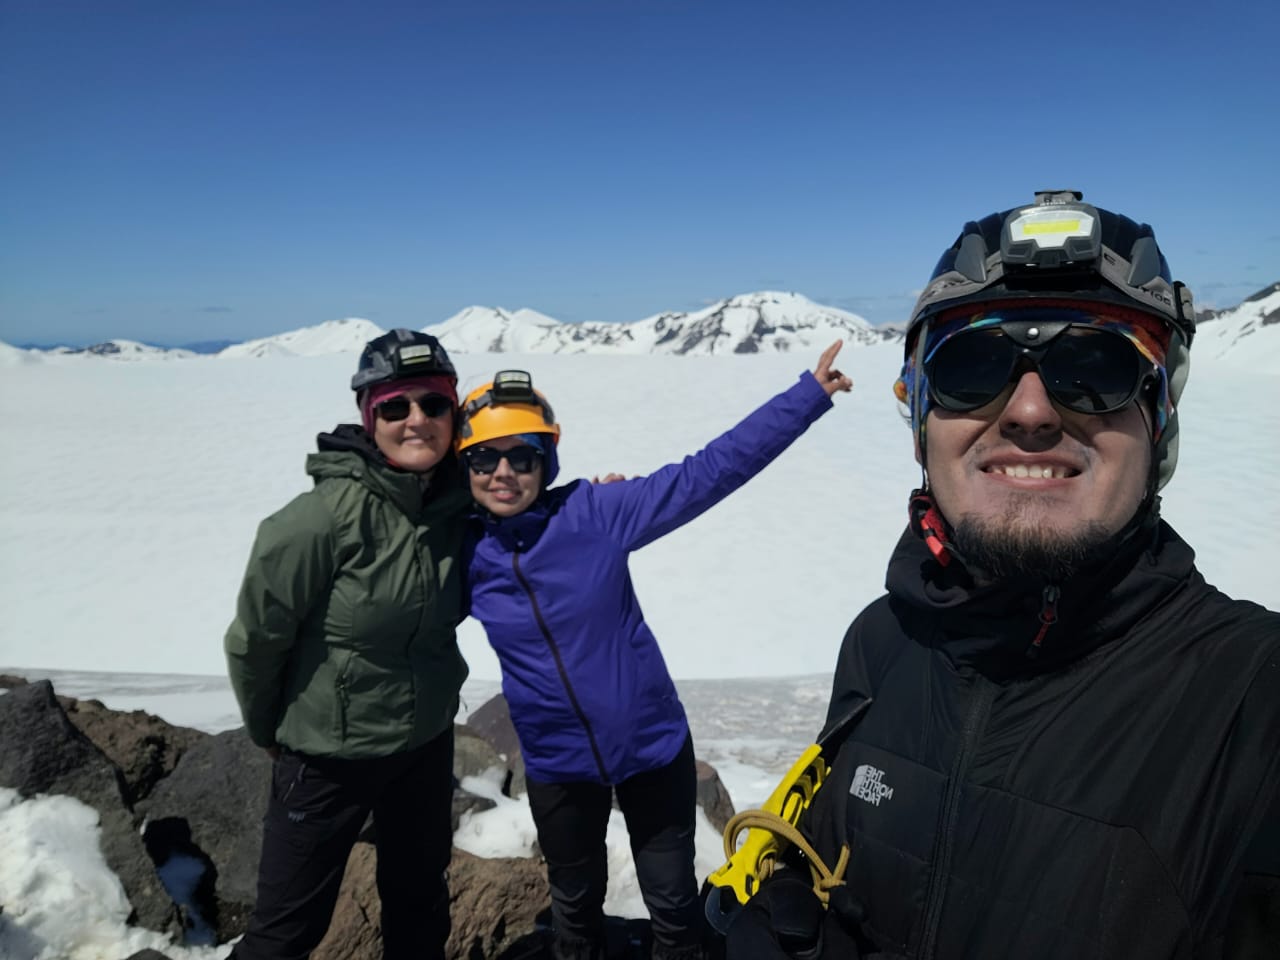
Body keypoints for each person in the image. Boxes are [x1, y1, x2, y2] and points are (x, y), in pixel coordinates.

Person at [727, 191, 1280, 959]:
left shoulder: (1252, 705)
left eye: (1095, 365)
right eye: (972, 365)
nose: (1029, 411)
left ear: (1159, 422)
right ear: (920, 420)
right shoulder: (882, 644)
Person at [457, 344, 853, 960]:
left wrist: (807, 397)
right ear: (465, 466)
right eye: (484, 457)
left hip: (652, 748)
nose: (503, 472)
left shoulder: (597, 513)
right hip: (557, 764)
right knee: (574, 911)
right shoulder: (464, 555)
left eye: (522, 455)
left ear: (545, 461)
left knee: (673, 909)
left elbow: (708, 472)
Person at [224, 329, 471, 960]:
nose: (416, 420)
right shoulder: (319, 520)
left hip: (424, 744)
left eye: (434, 404)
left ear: (454, 412)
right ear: (369, 417)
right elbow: (256, 639)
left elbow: (524, 502)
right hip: (328, 755)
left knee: (420, 910)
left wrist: (596, 496)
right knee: (286, 932)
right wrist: (269, 731)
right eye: (394, 407)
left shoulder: (455, 505)